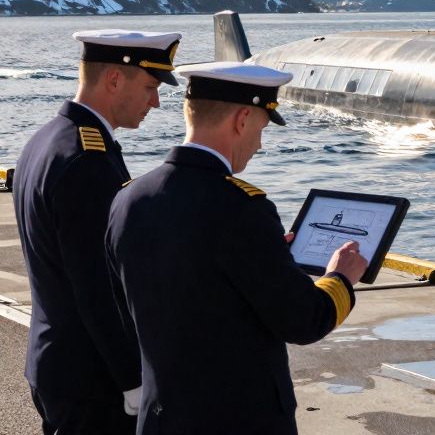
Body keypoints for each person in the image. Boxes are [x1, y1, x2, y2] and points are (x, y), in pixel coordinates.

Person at [106, 61, 367, 434]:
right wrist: (340, 277)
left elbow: (128, 307)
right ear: (242, 119)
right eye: (261, 128)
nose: (259, 144)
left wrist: (269, 256)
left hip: (161, 418)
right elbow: (304, 320)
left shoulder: (128, 198)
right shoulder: (242, 209)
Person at [12, 29, 181, 434]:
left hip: (57, 361)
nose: (156, 102)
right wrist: (134, 380)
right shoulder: (87, 161)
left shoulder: (47, 140)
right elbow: (98, 288)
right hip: (92, 378)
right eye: (150, 87)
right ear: (114, 79)